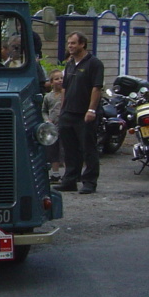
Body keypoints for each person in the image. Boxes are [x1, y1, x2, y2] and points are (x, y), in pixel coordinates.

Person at [54, 32, 104, 195]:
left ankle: (89, 182)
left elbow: (96, 88)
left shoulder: (94, 63)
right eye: (69, 43)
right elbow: (64, 88)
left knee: (88, 148)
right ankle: (69, 180)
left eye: (73, 43)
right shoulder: (69, 64)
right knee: (69, 149)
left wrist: (91, 110)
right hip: (68, 112)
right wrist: (63, 110)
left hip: (84, 113)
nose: (70, 46)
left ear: (83, 44)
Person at [42, 69, 65, 180]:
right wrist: (47, 120)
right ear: (51, 82)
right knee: (53, 149)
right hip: (53, 127)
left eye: (61, 78)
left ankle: (70, 172)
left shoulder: (66, 94)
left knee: (66, 149)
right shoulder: (48, 97)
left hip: (65, 125)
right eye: (56, 79)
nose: (60, 81)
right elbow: (44, 110)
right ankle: (55, 173)